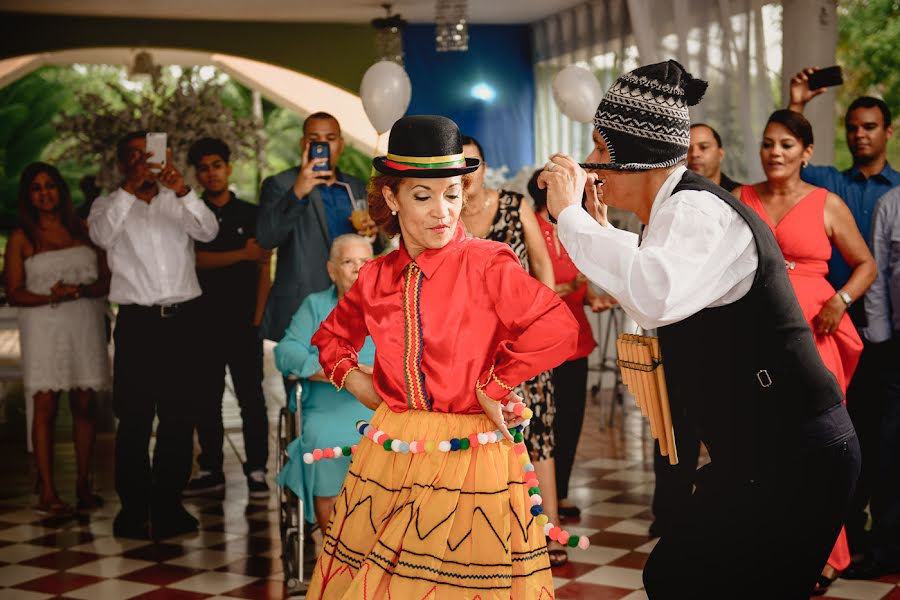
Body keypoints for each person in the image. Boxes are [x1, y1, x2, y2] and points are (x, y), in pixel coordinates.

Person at [542, 59, 860, 598]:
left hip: (797, 453)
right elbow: (649, 278)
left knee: (703, 580)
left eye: (600, 149)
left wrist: (570, 216)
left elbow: (654, 291)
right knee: (675, 575)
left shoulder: (698, 210)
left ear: (636, 156)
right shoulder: (673, 214)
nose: (593, 165)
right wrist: (592, 229)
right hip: (759, 452)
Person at [305, 115, 579, 599]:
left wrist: (494, 384)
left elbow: (558, 326)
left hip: (469, 454)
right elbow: (330, 339)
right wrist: (356, 381)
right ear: (391, 198)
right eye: (422, 196)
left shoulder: (488, 262)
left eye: (452, 194)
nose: (442, 212)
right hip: (390, 451)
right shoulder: (375, 275)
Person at [735, 109, 876, 592]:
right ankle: (770, 543)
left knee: (820, 445)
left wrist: (841, 299)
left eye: (787, 145)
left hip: (816, 333)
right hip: (755, 337)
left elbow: (866, 266)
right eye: (769, 143)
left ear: (806, 153)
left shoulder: (826, 203)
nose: (775, 152)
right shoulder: (740, 199)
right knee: (763, 444)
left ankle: (827, 554)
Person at [788, 73, 899, 559]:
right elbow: (789, 164)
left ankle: (884, 543)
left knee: (885, 441)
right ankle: (843, 541)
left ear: (887, 132)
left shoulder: (898, 193)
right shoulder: (828, 182)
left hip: (885, 334)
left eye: (870, 127)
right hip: (828, 330)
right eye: (853, 127)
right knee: (840, 438)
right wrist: (796, 103)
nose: (860, 135)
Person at [88, 131, 218, 540]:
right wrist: (128, 189)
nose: (143, 163)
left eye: (149, 155)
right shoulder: (108, 205)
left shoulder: (176, 201)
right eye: (134, 157)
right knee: (135, 417)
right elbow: (100, 236)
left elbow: (208, 231)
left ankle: (168, 502)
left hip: (184, 323)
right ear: (123, 164)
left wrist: (183, 191)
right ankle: (132, 507)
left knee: (179, 416)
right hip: (138, 324)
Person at [459, 134, 570, 566]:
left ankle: (550, 530)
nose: (468, 173)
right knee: (485, 439)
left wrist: (536, 328)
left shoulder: (513, 204)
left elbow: (542, 268)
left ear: (486, 167)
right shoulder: (445, 216)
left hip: (523, 344)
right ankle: (495, 535)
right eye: (459, 165)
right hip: (473, 349)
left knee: (537, 434)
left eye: (474, 164)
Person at [5, 162, 111, 515]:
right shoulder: (22, 237)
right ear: (28, 196)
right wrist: (53, 296)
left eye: (50, 185)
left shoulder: (83, 230)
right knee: (46, 406)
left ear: (61, 190)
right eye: (36, 188)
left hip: (84, 322)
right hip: (43, 328)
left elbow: (107, 281)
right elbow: (15, 292)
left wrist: (78, 290)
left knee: (85, 405)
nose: (44, 193)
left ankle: (84, 483)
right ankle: (48, 490)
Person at [182, 138, 272, 500]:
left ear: (228, 168)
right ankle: (211, 469)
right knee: (206, 398)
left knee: (252, 398)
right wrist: (241, 254)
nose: (211, 173)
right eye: (203, 167)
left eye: (217, 165)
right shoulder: (191, 214)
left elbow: (263, 264)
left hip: (244, 322)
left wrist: (259, 315)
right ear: (197, 174)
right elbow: (194, 261)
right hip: (201, 323)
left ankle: (257, 469)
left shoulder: (251, 213)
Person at [527, 169, 617, 521]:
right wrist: (567, 288)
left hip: (575, 339)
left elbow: (584, 282)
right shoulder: (527, 224)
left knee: (570, 420)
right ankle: (534, 496)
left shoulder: (575, 227)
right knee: (540, 422)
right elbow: (527, 287)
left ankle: (560, 492)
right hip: (538, 343)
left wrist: (592, 295)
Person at [274, 234, 375, 532]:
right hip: (324, 405)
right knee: (322, 442)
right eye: (348, 262)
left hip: (381, 404)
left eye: (364, 262)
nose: (357, 269)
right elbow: (286, 352)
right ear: (332, 270)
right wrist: (341, 369)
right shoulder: (316, 306)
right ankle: (335, 562)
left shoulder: (391, 307)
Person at [256, 112, 373, 360]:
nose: (323, 146)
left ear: (340, 144)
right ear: (303, 144)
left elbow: (372, 242)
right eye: (314, 139)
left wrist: (373, 234)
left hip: (351, 301)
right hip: (302, 302)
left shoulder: (355, 186)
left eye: (330, 138)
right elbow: (266, 238)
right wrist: (299, 190)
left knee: (352, 379)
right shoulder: (280, 184)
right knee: (300, 382)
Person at [850, 186, 900, 578]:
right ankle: (886, 549)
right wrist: (882, 344)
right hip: (894, 348)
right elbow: (879, 274)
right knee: (888, 449)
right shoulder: (891, 204)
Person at [687, 123, 741, 192]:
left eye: (703, 147)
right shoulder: (673, 196)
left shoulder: (739, 196)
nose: (694, 154)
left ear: (720, 154)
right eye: (687, 149)